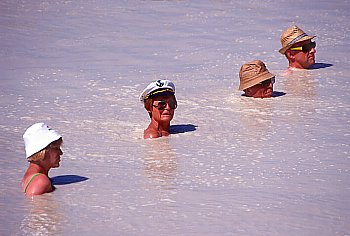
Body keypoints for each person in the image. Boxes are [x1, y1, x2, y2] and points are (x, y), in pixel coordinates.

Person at [21, 123, 63, 196]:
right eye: (56, 148)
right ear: (43, 152)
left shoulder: (29, 177)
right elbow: (34, 205)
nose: (61, 153)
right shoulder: (40, 181)